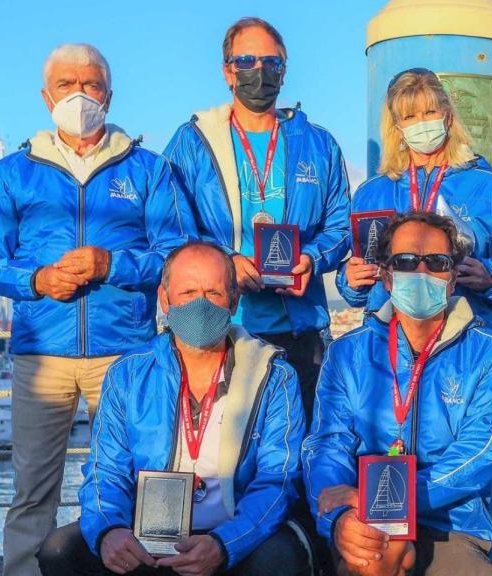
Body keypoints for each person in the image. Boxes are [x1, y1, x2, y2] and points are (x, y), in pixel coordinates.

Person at [0, 43, 195, 576]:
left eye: (91, 84)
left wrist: (111, 264)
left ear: (109, 96)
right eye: (67, 85)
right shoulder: (14, 174)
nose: (79, 94)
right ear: (47, 96)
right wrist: (36, 279)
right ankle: (23, 570)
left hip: (129, 354)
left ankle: (145, 569)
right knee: (32, 489)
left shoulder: (148, 170)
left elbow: (177, 255)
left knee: (144, 478)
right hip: (41, 355)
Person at [36, 241, 310, 576]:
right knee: (59, 550)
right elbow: (104, 472)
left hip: (234, 534)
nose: (200, 305)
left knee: (280, 559)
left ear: (234, 300)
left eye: (214, 293)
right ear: (164, 299)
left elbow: (277, 480)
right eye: (188, 292)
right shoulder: (128, 374)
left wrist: (226, 544)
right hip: (150, 534)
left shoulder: (274, 376)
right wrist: (110, 529)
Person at [303, 212, 492, 576]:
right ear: (386, 277)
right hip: (363, 516)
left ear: (452, 279)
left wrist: (382, 499)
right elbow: (327, 446)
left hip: (449, 521)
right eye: (405, 262)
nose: (420, 272)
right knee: (371, 559)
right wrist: (339, 517)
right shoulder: (348, 353)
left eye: (436, 263)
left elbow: (477, 456)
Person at [164, 17, 350, 423]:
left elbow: (340, 225)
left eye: (271, 62)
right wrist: (224, 261)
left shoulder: (319, 144)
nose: (259, 72)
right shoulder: (193, 142)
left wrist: (314, 259)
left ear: (284, 71)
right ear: (227, 71)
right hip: (219, 328)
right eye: (246, 60)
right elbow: (170, 228)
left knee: (300, 458)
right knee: (218, 462)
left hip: (300, 332)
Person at [336, 67, 492, 337]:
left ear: (448, 116)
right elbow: (355, 278)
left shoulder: (489, 186)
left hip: (466, 338)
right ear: (397, 128)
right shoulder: (371, 193)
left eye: (429, 112)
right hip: (389, 339)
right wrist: (350, 279)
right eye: (410, 117)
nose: (422, 123)